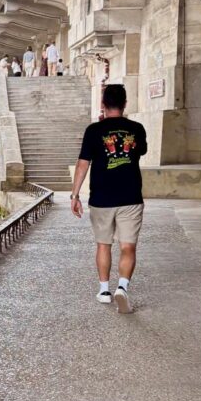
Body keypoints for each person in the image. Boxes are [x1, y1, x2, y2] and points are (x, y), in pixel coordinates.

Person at [70, 83, 148, 314]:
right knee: (128, 247)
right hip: (130, 196)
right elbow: (140, 151)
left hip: (101, 198)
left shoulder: (93, 131)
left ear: (103, 104)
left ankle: (104, 290)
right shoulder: (137, 129)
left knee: (103, 244)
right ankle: (122, 287)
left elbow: (83, 163)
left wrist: (75, 195)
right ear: (125, 104)